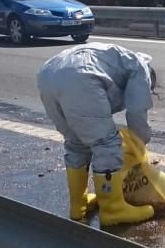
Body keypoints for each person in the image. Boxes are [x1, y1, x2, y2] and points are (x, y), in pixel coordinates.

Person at [37, 42, 157, 225]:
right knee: (106, 143)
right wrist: (139, 147)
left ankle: (78, 205)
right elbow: (137, 112)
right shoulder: (140, 68)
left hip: (47, 74)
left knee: (76, 142)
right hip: (81, 75)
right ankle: (113, 209)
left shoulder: (118, 59)